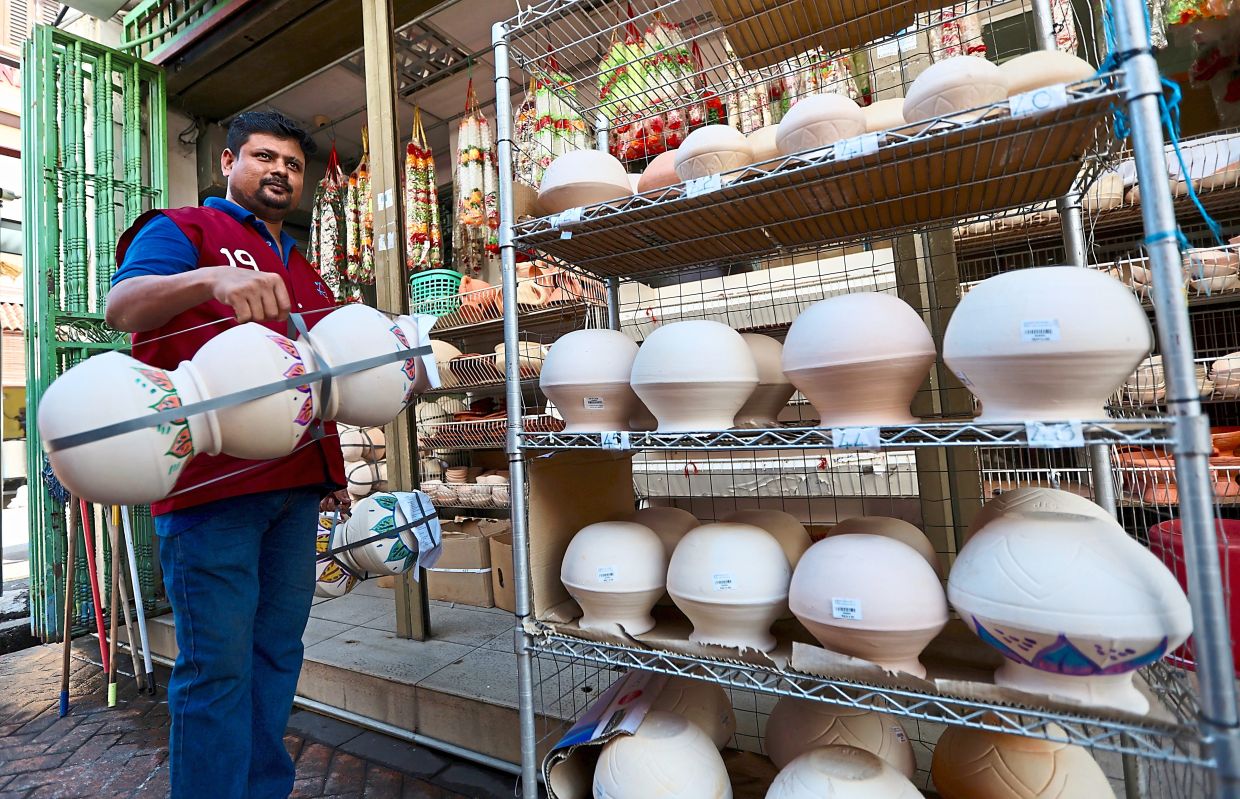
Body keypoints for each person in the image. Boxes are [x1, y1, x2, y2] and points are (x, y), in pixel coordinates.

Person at [106, 110, 349, 799]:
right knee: (217, 669)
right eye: (264, 156)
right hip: (211, 493)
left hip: (296, 492)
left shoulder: (303, 267)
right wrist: (209, 281)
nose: (280, 171)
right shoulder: (182, 230)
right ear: (228, 163)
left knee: (277, 658)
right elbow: (123, 305)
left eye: (293, 164)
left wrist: (330, 471)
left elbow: (315, 376)